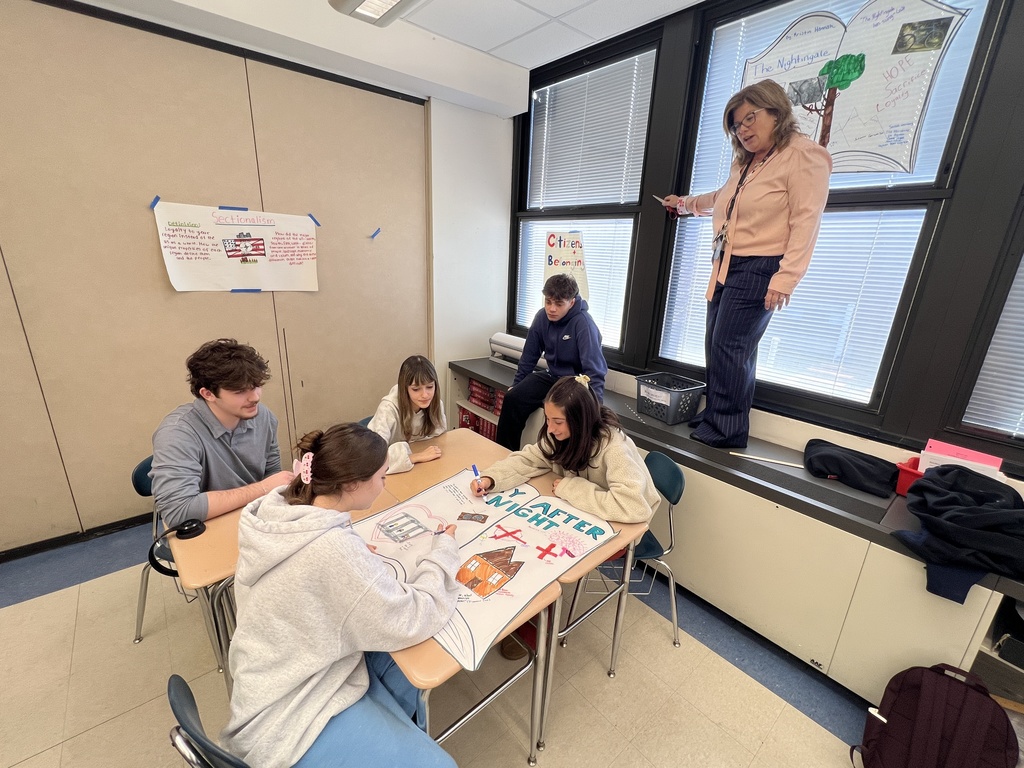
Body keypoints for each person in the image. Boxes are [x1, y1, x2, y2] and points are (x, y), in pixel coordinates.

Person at [222, 424, 460, 768]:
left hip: (267, 680)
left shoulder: (278, 513)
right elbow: (413, 616)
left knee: (404, 669)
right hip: (290, 720)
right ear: (352, 484)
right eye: (381, 477)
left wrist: (352, 553)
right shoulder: (330, 549)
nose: (385, 484)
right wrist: (443, 554)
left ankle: (398, 730)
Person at [662, 79, 831, 449]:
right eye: (737, 125)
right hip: (726, 265)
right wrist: (684, 204)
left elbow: (807, 220)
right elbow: (722, 199)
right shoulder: (747, 164)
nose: (743, 130)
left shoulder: (803, 155)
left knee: (731, 346)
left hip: (760, 267)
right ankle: (719, 415)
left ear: (776, 112)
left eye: (750, 118)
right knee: (716, 343)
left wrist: (786, 279)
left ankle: (728, 430)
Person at [150, 338, 294, 530]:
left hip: (254, 519)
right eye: (240, 391)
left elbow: (272, 473)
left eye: (257, 385)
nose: (255, 397)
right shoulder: (177, 433)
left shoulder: (263, 416)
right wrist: (262, 488)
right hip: (207, 528)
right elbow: (179, 511)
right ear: (208, 394)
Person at [473, 375, 658, 525]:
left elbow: (634, 506)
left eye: (558, 422)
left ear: (580, 420)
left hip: (624, 524)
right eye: (547, 419)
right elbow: (528, 459)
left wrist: (570, 487)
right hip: (586, 512)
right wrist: (491, 478)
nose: (550, 429)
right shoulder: (559, 436)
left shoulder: (614, 447)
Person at [495, 273, 608, 452]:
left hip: (576, 384)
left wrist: (595, 410)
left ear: (571, 302)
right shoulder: (542, 317)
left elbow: (595, 372)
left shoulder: (584, 324)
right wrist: (516, 384)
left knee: (567, 414)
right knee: (512, 398)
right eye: (548, 302)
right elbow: (529, 356)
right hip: (553, 376)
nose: (551, 309)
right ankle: (503, 453)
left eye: (558, 303)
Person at [367, 355, 446, 474]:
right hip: (391, 473)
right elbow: (372, 456)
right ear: (405, 388)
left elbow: (439, 439)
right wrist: (416, 457)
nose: (425, 395)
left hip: (422, 468)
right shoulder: (388, 408)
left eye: (430, 387)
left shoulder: (435, 403)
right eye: (416, 389)